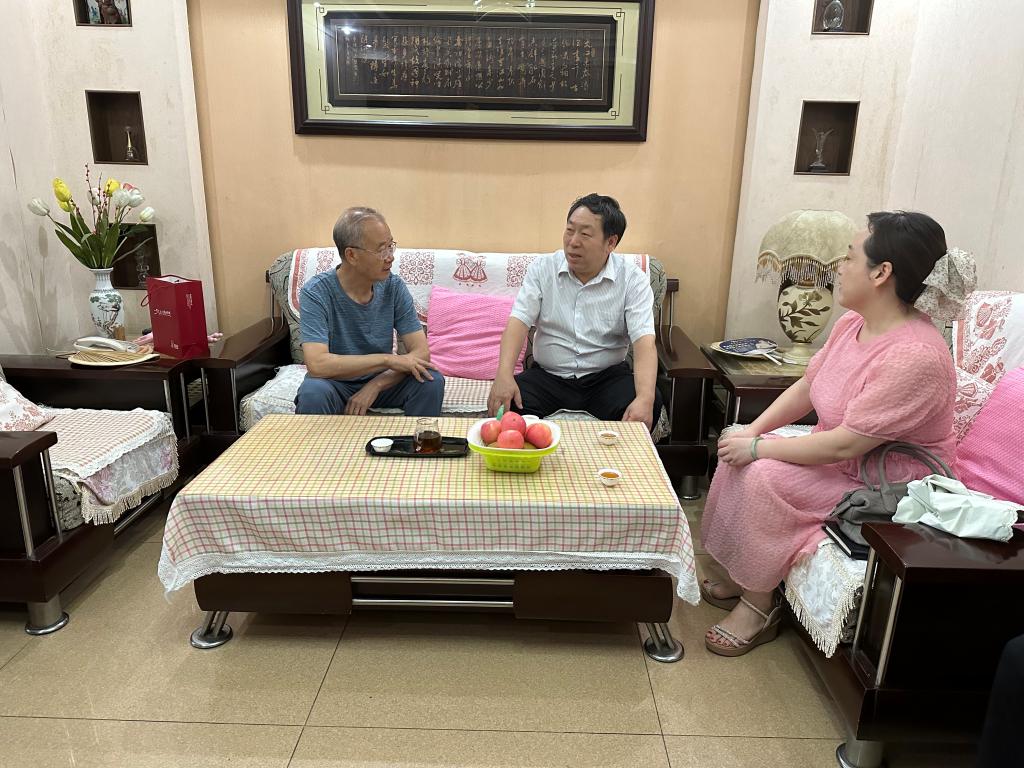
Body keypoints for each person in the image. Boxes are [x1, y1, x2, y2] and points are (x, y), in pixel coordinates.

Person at [700, 211, 976, 657]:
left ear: (881, 273)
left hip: (888, 481)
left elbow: (848, 443)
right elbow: (808, 386)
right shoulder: (853, 324)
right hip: (844, 458)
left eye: (849, 257)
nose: (839, 268)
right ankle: (744, 571)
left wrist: (758, 448)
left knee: (765, 475)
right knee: (741, 451)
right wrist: (752, 431)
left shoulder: (915, 356)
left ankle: (758, 606)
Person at [486, 194, 662, 430]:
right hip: (548, 379)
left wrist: (645, 398)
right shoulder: (543, 268)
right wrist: (504, 375)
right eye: (570, 230)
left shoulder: (632, 280)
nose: (573, 242)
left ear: (611, 242)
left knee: (649, 401)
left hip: (605, 380)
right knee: (510, 406)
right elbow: (518, 323)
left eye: (585, 234)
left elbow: (644, 342)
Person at [294, 206, 444, 417]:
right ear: (352, 255)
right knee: (313, 392)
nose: (390, 257)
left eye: (391, 246)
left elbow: (421, 353)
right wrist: (387, 359)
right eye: (381, 250)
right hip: (335, 383)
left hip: (384, 382)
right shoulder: (316, 292)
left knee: (431, 380)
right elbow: (318, 364)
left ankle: (417, 439)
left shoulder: (393, 287)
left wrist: (376, 385)